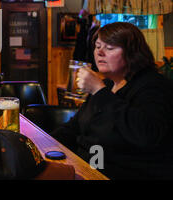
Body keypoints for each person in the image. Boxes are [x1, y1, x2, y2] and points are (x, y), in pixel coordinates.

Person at [51, 22, 173, 179]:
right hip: (89, 167)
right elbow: (75, 127)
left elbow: (146, 134)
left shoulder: (153, 85)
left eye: (110, 48)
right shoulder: (108, 84)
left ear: (133, 53)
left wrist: (99, 91)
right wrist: (44, 142)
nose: (100, 52)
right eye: (97, 46)